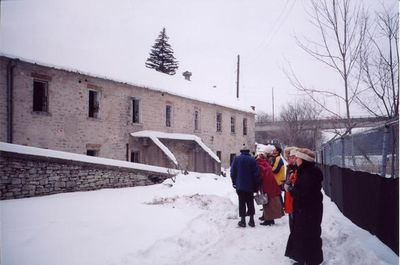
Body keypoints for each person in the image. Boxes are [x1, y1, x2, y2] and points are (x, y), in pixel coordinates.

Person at [284, 148, 323, 265]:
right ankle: (303, 260)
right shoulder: (306, 171)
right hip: (308, 210)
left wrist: (290, 189)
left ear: (304, 160)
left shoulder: (308, 174)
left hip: (308, 212)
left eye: (297, 158)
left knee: (309, 236)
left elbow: (302, 194)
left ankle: (311, 261)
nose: (296, 160)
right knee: (303, 236)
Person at [230, 144, 260, 228]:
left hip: (240, 185)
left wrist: (234, 182)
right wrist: (256, 185)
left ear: (241, 151)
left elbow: (233, 173)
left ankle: (243, 220)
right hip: (250, 186)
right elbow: (257, 174)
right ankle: (252, 220)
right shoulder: (252, 160)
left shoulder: (236, 159)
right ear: (248, 152)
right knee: (250, 202)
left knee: (242, 202)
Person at [255, 149, 284, 226]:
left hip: (266, 186)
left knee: (267, 203)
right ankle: (270, 219)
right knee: (271, 202)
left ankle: (268, 220)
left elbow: (259, 177)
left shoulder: (259, 165)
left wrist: (256, 187)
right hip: (272, 184)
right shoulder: (266, 164)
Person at [283, 146, 298, 232]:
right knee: (291, 220)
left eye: (290, 157)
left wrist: (288, 186)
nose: (288, 159)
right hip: (289, 198)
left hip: (293, 199)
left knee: (294, 221)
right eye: (288, 157)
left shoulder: (295, 169)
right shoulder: (290, 168)